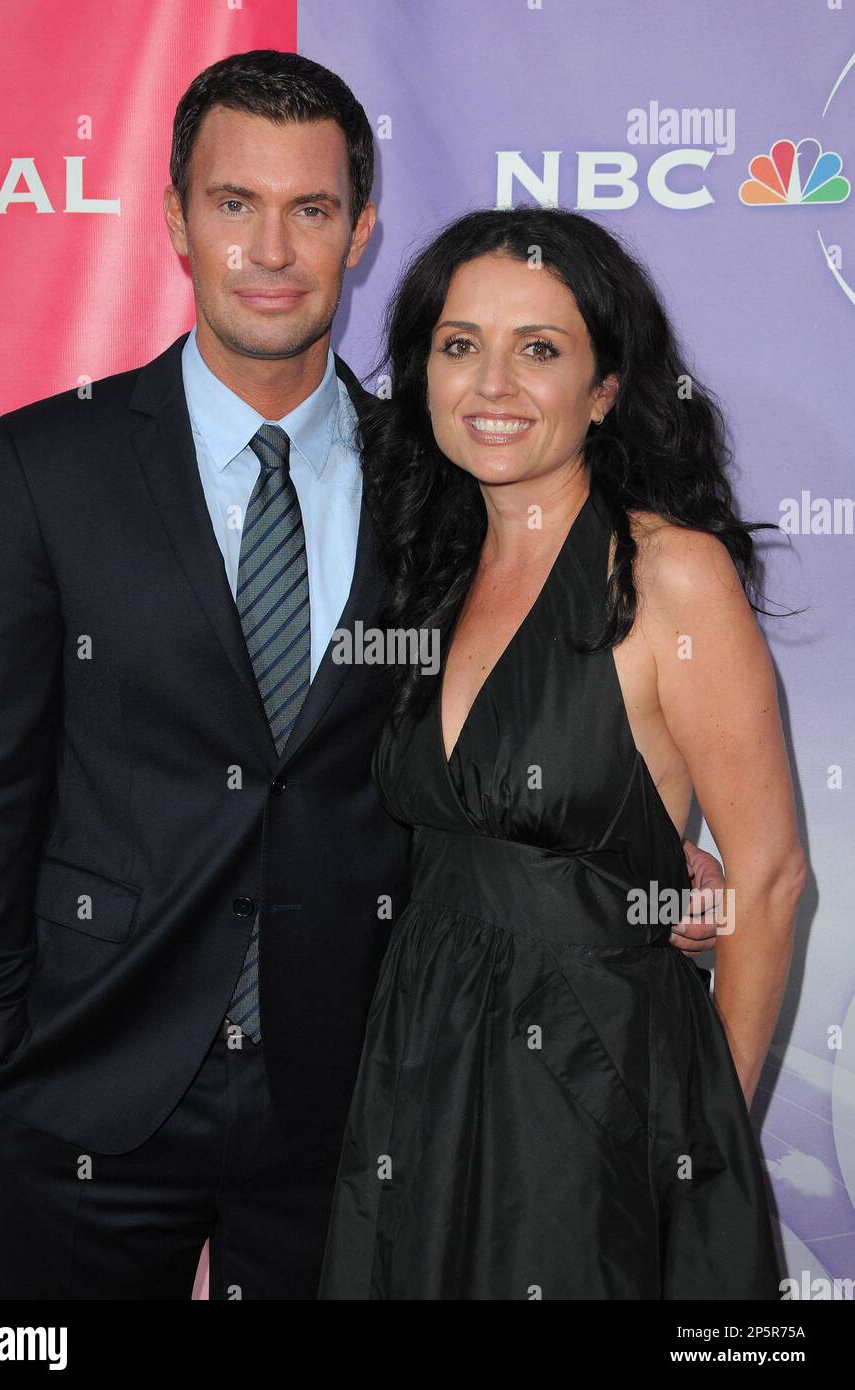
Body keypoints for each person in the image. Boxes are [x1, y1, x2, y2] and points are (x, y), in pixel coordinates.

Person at [0, 53, 722, 1301]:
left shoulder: (448, 471)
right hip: (86, 1089)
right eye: (235, 204)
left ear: (361, 230)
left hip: (363, 1095)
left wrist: (654, 856)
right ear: (176, 218)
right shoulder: (42, 464)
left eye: (312, 209)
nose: (273, 248)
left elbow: (540, 710)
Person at [317, 206, 806, 1300]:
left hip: (596, 1094)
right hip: (422, 1066)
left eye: (539, 348)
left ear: (605, 388)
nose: (492, 382)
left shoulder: (668, 573)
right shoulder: (424, 569)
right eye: (460, 345)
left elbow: (768, 882)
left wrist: (690, 1131)